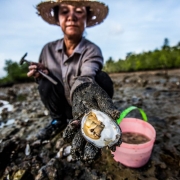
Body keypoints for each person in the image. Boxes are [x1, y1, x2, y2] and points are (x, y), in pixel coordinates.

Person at [28, 0, 121, 162]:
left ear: (86, 18)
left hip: (85, 103)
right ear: (58, 19)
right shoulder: (47, 49)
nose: (71, 17)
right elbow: (45, 82)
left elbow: (88, 72)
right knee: (44, 82)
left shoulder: (92, 49)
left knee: (102, 78)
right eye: (64, 12)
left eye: (78, 11)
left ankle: (95, 117)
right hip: (62, 105)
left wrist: (82, 88)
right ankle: (58, 120)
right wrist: (41, 74)